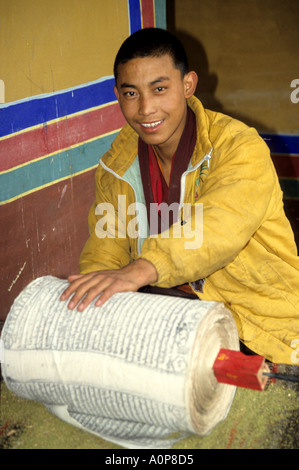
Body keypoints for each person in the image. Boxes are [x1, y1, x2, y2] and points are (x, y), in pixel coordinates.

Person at [60, 27, 299, 364]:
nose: (145, 109)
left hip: (260, 325)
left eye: (159, 89)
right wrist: (92, 299)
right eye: (131, 94)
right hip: (173, 326)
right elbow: (106, 249)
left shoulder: (238, 146)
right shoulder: (116, 167)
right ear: (117, 95)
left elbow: (217, 227)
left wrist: (142, 269)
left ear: (187, 85)